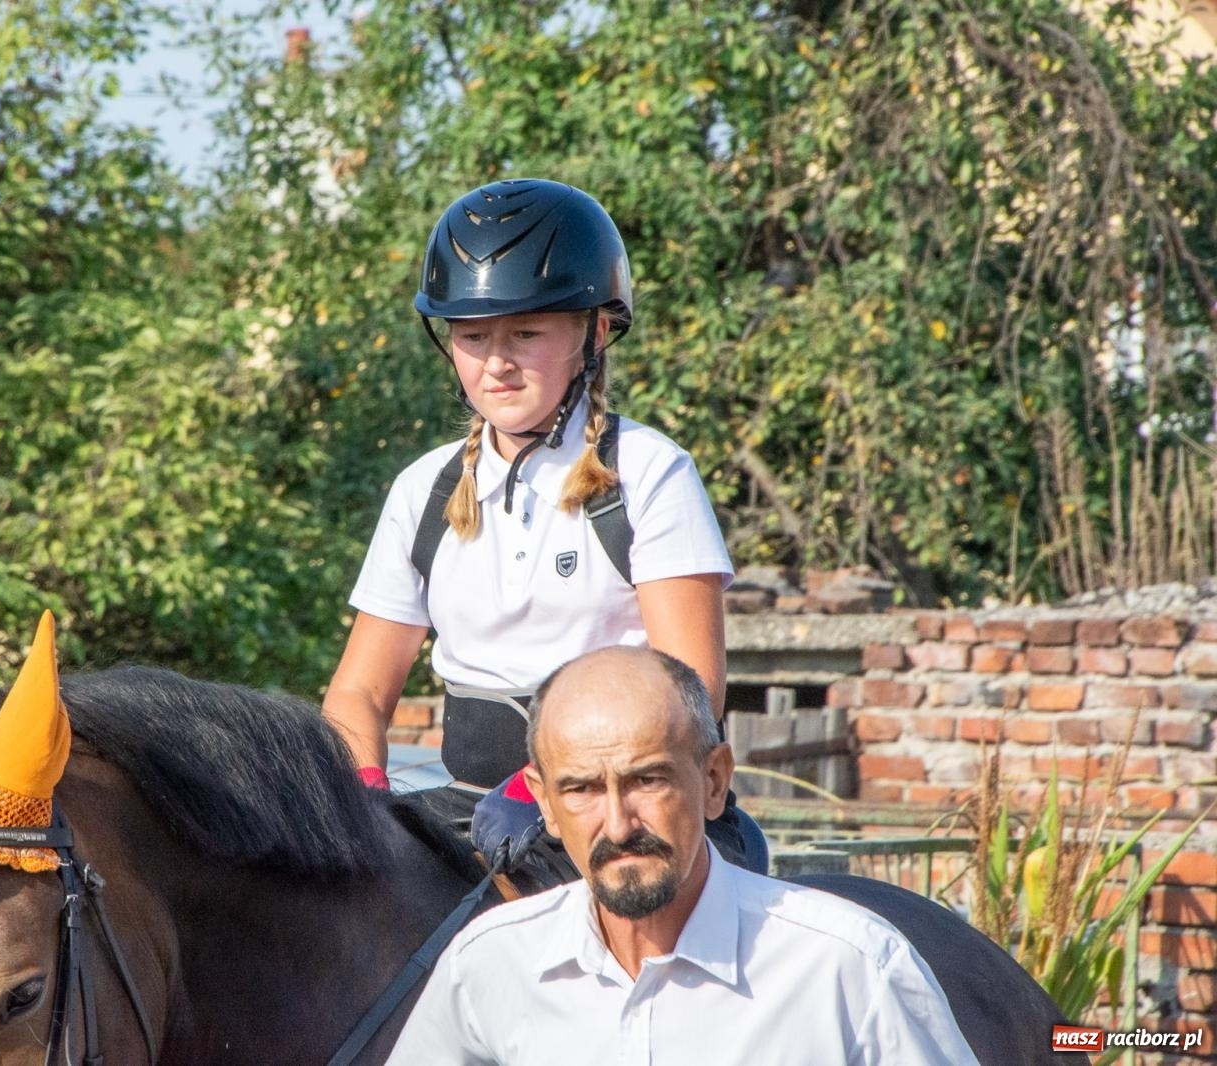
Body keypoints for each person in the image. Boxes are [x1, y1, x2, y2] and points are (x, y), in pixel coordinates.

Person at [321, 177, 749, 863]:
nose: (496, 362)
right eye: (473, 335)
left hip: (619, 807)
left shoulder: (650, 472)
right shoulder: (421, 490)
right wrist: (366, 796)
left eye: (526, 332)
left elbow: (691, 686)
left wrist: (546, 783)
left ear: (594, 332)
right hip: (466, 807)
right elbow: (360, 692)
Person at [384, 646, 980, 1066]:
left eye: (648, 780)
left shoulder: (849, 967)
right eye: (582, 789)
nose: (619, 825)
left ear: (715, 781)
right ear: (544, 803)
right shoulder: (488, 964)